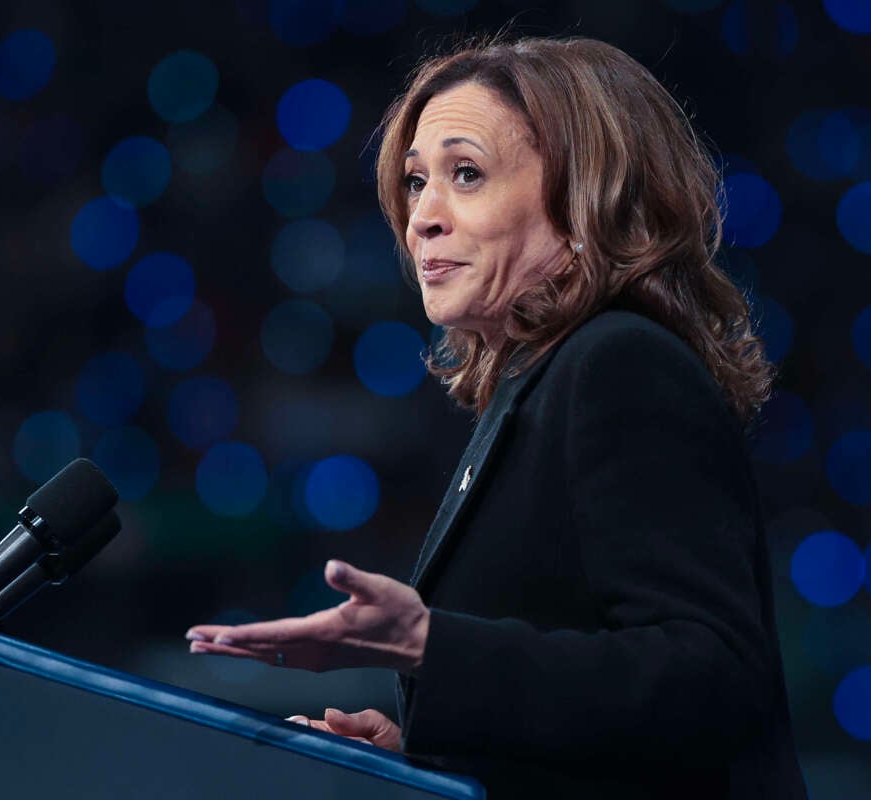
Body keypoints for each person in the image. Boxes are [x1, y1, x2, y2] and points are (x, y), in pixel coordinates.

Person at [186, 36, 808, 798]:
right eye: (416, 183)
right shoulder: (537, 384)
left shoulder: (620, 365)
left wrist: (427, 643)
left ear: (586, 202)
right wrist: (428, 756)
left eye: (467, 174)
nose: (423, 218)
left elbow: (710, 679)